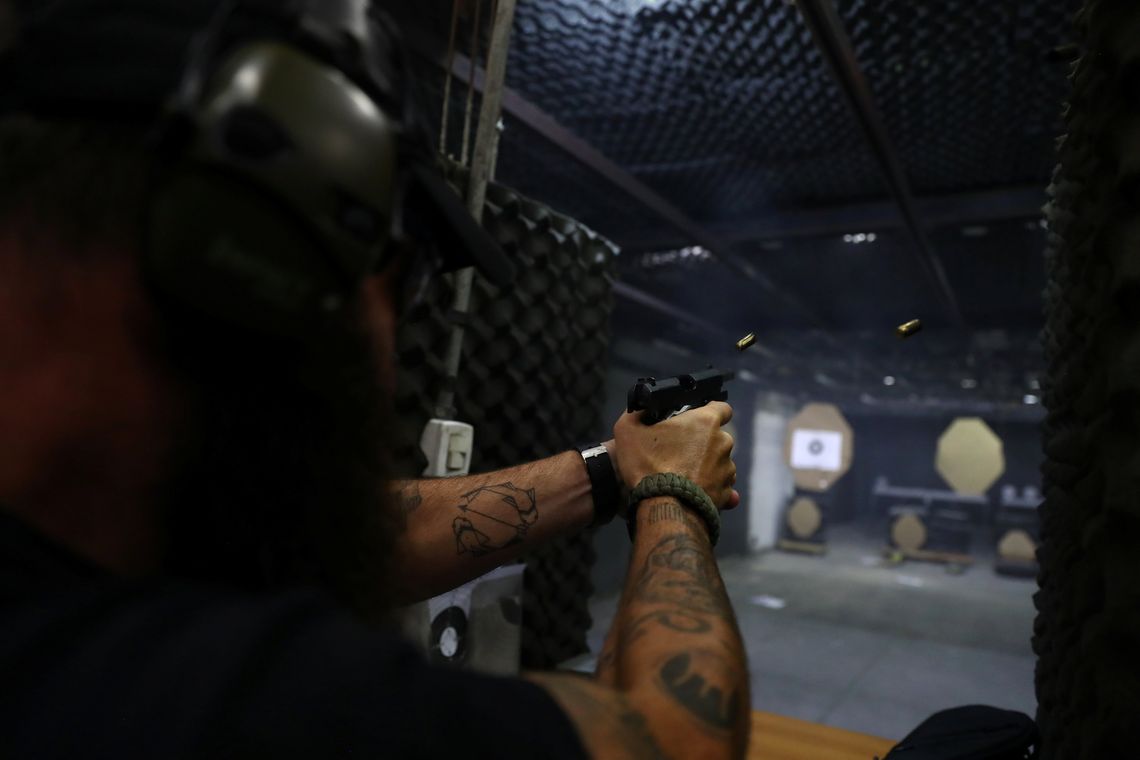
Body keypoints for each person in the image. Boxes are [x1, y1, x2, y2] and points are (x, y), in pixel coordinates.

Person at [0, 1, 750, 758]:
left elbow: (358, 531)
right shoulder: (220, 699)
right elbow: (677, 740)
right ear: (253, 245)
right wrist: (673, 495)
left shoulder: (84, 554)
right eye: (400, 275)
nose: (390, 339)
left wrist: (617, 470)